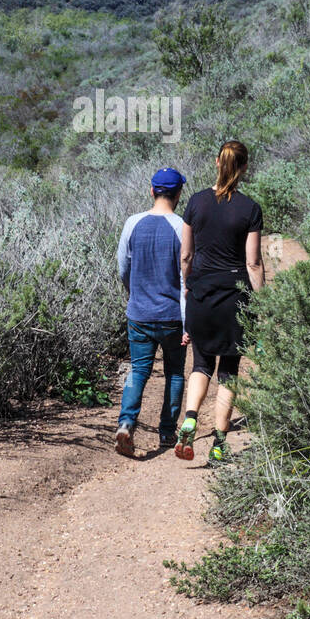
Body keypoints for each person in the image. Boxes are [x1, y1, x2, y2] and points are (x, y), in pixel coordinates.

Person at [176, 141, 264, 464]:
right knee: (228, 370)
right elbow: (253, 263)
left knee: (201, 364)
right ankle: (218, 444)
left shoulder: (196, 203)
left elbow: (186, 254)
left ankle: (189, 417)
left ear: (217, 163)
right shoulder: (250, 208)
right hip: (234, 298)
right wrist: (260, 304)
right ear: (243, 168)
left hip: (201, 294)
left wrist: (188, 285)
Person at [114, 167, 188, 457]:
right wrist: (187, 323)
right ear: (179, 193)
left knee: (138, 371)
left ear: (151, 190)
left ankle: (126, 422)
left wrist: (135, 294)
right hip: (172, 315)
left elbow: (123, 268)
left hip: (139, 314)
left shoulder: (133, 223)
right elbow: (186, 281)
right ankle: (168, 432)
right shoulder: (182, 227)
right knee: (174, 373)